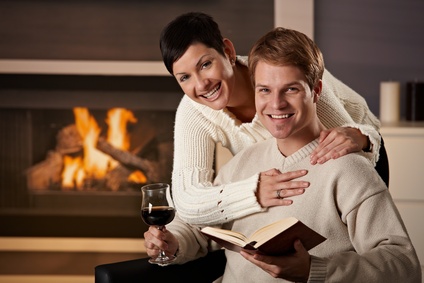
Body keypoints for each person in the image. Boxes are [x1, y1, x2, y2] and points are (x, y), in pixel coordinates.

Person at [145, 27, 421, 282]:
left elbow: (405, 267)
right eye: (264, 90)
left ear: (316, 92)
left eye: (290, 89)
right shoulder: (240, 165)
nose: (276, 103)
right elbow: (198, 227)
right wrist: (173, 241)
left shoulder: (349, 171)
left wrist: (315, 270)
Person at [160, 12, 387, 226]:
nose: (201, 84)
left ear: (228, 51)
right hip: (286, 168)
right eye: (185, 77)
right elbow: (189, 199)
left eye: (206, 64)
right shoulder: (194, 111)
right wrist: (253, 192)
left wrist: (363, 137)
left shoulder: (285, 72)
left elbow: (347, 149)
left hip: (363, 148)